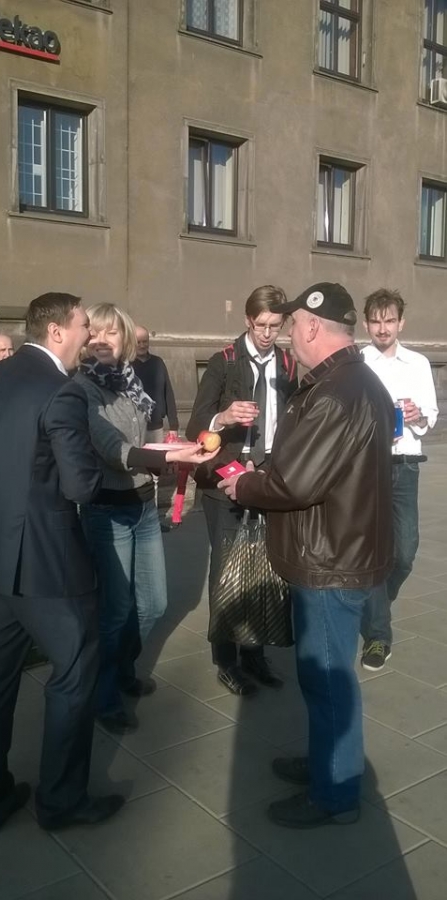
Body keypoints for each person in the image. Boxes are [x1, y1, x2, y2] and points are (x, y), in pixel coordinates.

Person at [0, 292, 124, 835]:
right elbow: (80, 485)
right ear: (56, 332)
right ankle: (61, 801)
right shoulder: (62, 390)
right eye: (84, 326)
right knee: (74, 671)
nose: (90, 336)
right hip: (47, 564)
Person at [220, 282, 394, 828]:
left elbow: (296, 484)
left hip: (330, 562)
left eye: (294, 325)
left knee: (327, 683)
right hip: (337, 551)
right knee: (324, 680)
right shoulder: (348, 381)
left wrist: (245, 484)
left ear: (314, 326)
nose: (289, 335)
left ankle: (335, 794)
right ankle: (327, 765)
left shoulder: (338, 392)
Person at [75, 304, 218, 734]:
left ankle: (121, 667)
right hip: (107, 509)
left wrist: (178, 449)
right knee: (116, 609)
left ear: (125, 340)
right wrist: (167, 458)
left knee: (153, 603)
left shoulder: (131, 381)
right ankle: (104, 695)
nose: (102, 340)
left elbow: (149, 436)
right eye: (94, 333)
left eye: (111, 333)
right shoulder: (82, 388)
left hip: (142, 504)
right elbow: (111, 447)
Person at [185, 285, 297, 696]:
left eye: (275, 326)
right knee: (226, 572)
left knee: (262, 571)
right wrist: (223, 417)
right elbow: (195, 424)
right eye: (261, 325)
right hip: (224, 481)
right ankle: (226, 660)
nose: (267, 334)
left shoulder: (287, 363)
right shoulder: (224, 361)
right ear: (248, 320)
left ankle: (254, 654)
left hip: (265, 479)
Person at [360, 289, 438, 671]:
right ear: (366, 324)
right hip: (368, 466)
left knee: (405, 551)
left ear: (401, 323)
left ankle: (377, 605)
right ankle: (378, 635)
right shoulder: (357, 362)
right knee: (376, 551)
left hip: (405, 465)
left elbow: (431, 417)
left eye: (389, 320)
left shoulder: (418, 363)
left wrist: (416, 414)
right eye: (376, 321)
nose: (383, 328)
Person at [134, 326, 179, 443]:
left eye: (145, 341)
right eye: (138, 342)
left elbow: (168, 393)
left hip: (156, 428)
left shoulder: (158, 362)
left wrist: (173, 425)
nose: (142, 345)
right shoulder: (126, 366)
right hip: (134, 428)